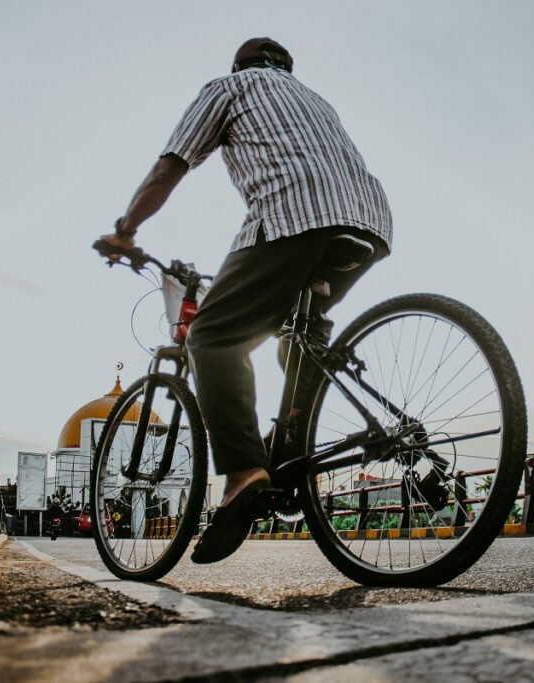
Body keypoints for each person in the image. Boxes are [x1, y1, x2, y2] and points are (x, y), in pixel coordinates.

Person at [99, 37, 392, 563]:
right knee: (298, 338)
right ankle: (292, 449)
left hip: (294, 214)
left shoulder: (228, 88)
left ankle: (243, 472)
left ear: (239, 65)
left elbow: (169, 168)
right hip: (370, 221)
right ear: (287, 67)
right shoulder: (315, 100)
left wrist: (126, 231)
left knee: (212, 335)